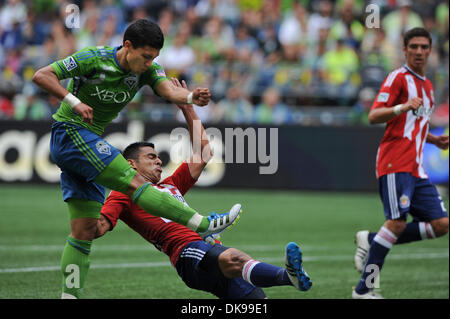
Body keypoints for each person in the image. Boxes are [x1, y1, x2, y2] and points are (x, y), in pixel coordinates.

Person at [31, 19, 241, 299]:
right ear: (127, 46)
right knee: (136, 182)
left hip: (82, 147)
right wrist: (74, 101)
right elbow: (42, 75)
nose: (150, 63)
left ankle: (69, 296)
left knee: (84, 234)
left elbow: (168, 89)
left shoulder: (148, 70)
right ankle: (203, 225)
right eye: (145, 56)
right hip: (70, 131)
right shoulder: (94, 58)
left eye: (154, 58)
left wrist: (190, 96)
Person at [95, 78, 312, 298]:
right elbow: (99, 226)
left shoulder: (170, 184)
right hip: (186, 253)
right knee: (233, 258)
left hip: (207, 248)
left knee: (255, 299)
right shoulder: (123, 193)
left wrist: (188, 108)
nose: (159, 161)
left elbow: (205, 153)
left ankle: (288, 277)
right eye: (151, 157)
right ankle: (288, 276)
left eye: (158, 157)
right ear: (132, 164)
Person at [352, 28, 449, 299]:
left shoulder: (428, 87)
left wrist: (434, 140)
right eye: (414, 46)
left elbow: (415, 126)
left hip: (416, 167)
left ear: (430, 50)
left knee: (441, 223)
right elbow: (373, 116)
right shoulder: (398, 78)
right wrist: (402, 106)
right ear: (405, 49)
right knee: (395, 222)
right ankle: (364, 291)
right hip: (395, 161)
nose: (419, 51)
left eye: (424, 47)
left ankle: (371, 240)